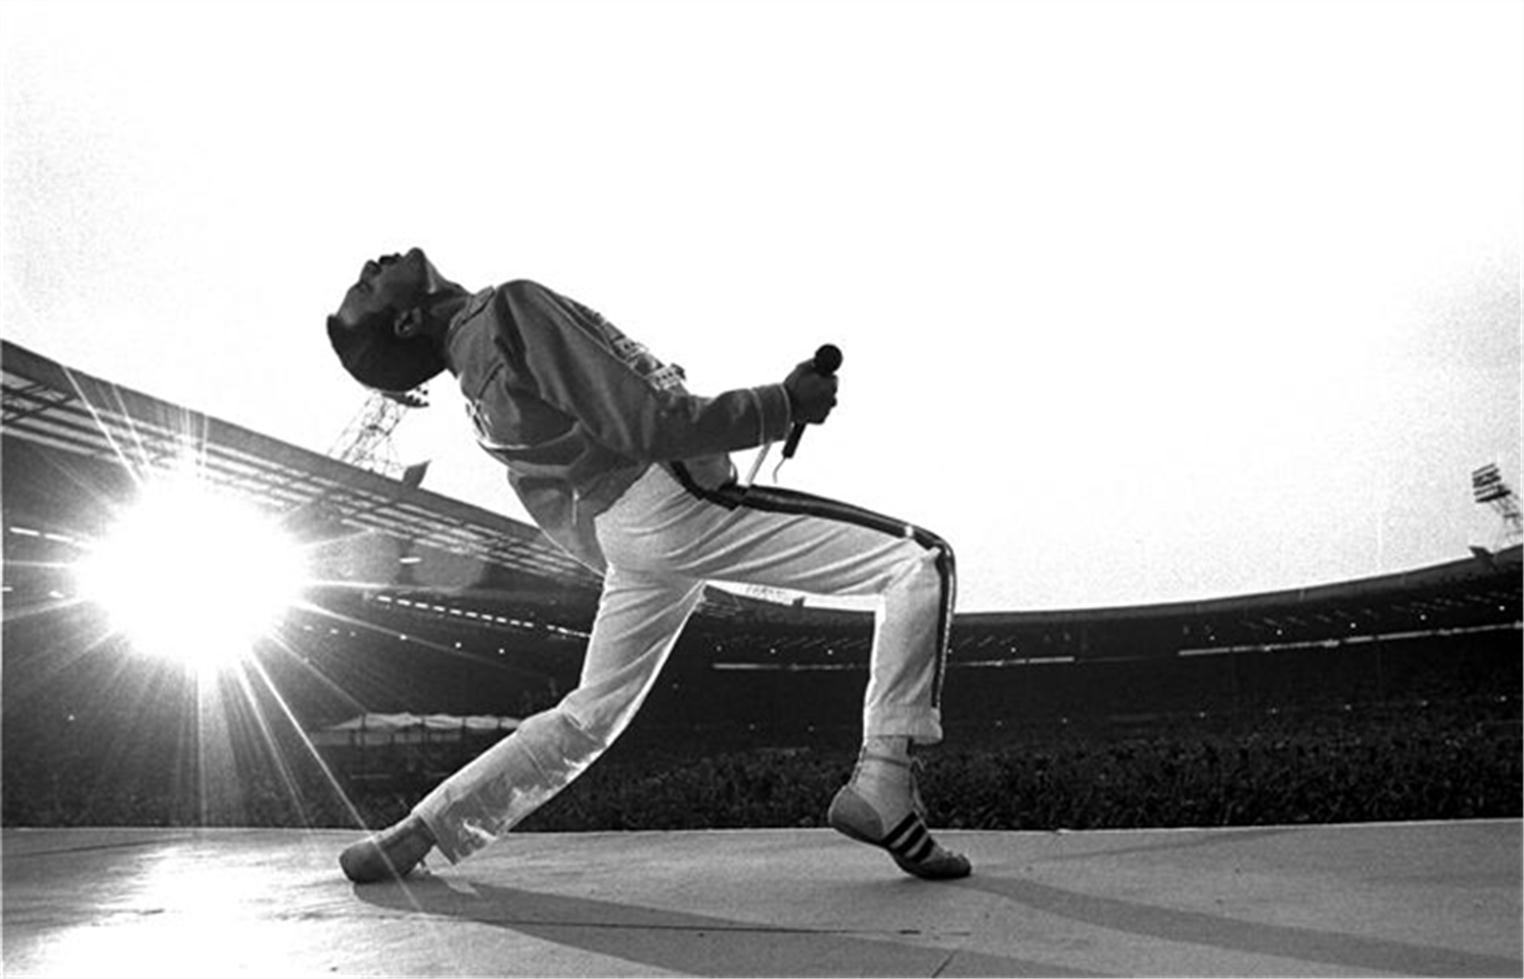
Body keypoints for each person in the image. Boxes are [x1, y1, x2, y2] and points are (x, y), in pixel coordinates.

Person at [325, 248, 969, 882]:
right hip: (670, 501)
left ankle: (419, 831)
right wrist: (782, 404)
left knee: (585, 718)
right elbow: (646, 424)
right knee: (920, 563)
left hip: (628, 535)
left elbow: (564, 494)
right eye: (368, 283)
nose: (374, 264)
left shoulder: (476, 389)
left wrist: (631, 542)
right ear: (407, 321)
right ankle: (886, 777)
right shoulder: (508, 308)